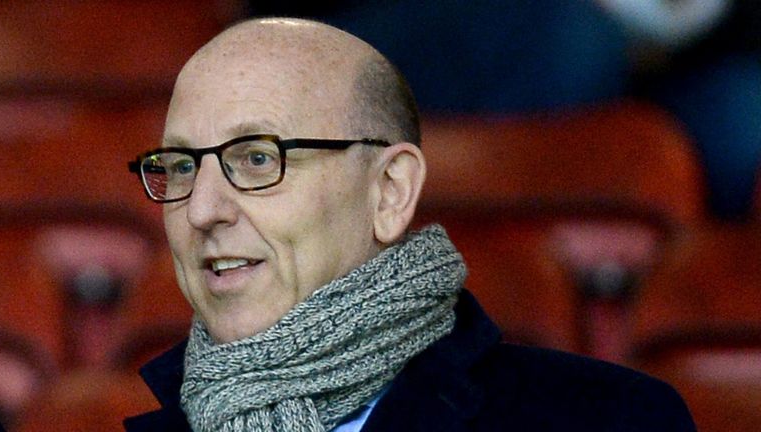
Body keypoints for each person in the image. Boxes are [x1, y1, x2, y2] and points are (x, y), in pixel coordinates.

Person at [125, 17, 697, 431]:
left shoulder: (612, 420)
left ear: (390, 192)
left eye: (256, 158)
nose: (201, 210)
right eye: (179, 168)